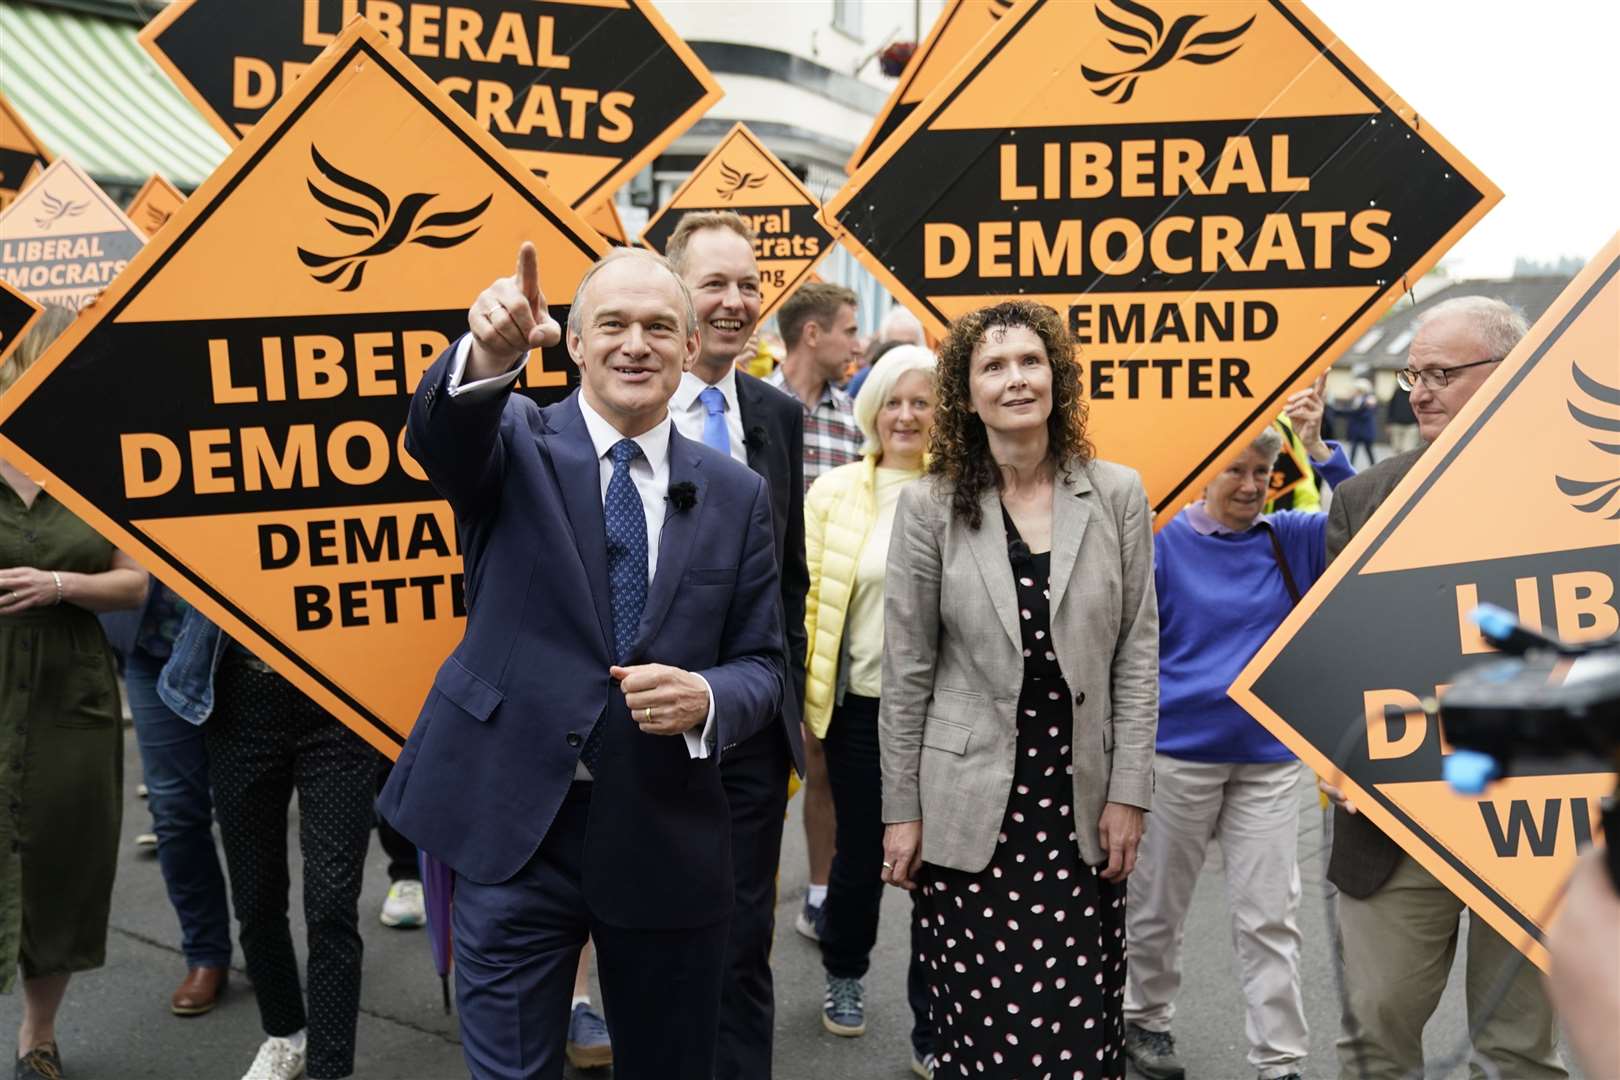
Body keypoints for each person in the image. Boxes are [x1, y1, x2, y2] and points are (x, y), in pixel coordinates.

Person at [377, 243, 786, 1079]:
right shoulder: (515, 439)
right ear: (574, 343)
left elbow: (764, 666)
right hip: (512, 826)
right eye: (613, 324)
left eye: (658, 328)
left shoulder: (738, 494)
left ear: (688, 346)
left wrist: (707, 696)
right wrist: (489, 351)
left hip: (664, 829)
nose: (635, 344)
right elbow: (440, 435)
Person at [879, 300, 1157, 1078]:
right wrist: (901, 814)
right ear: (966, 396)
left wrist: (1131, 791)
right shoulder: (928, 508)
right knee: (980, 1025)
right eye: (992, 367)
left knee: (1074, 1025)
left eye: (1030, 361)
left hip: (1081, 803)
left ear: (1057, 379)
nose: (1015, 379)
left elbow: (1137, 654)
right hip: (968, 807)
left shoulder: (1117, 494)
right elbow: (906, 674)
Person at [1318, 296, 1566, 1080]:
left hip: (1537, 813)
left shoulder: (1584, 498)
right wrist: (1337, 751)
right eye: (1412, 373)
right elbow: (1332, 656)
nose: (1416, 392)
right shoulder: (1364, 500)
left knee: (1518, 1050)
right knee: (1377, 1032)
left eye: (1441, 374)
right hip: (1395, 818)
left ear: (1513, 373)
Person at [1122, 386, 1353, 1080]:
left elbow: (1370, 523)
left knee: (1270, 918)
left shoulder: (1294, 537)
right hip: (1176, 758)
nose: (1252, 485)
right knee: (1158, 907)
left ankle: (1279, 1060)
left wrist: (1321, 452)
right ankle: (1145, 1022)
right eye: (1236, 471)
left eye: (1263, 473)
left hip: (1268, 761)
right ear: (1203, 473)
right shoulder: (1161, 542)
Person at [664, 209, 809, 1080]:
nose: (735, 300)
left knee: (744, 944)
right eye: (714, 282)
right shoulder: (628, 400)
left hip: (751, 732)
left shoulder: (778, 417)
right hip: (645, 728)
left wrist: (782, 694)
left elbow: (787, 575)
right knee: (660, 941)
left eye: (748, 283)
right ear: (677, 291)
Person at [0, 307, 150, 1080]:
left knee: (59, 865)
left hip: (71, 693)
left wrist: (61, 583)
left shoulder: (96, 466)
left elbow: (134, 584)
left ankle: (38, 1037)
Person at [151, 601, 378, 1080]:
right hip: (241, 697)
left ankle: (329, 1069)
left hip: (340, 698)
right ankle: (285, 1034)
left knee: (333, 902)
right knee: (256, 896)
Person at [802, 346, 938, 1076]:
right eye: (895, 402)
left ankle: (937, 1015)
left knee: (943, 870)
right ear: (873, 411)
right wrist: (807, 703)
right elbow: (814, 603)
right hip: (862, 711)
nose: (908, 416)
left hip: (949, 716)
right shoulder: (834, 493)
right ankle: (844, 972)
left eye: (922, 402)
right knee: (859, 857)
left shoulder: (961, 491)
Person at [765, 282, 864, 940]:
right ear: (812, 335)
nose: (858, 344)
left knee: (820, 757)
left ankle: (821, 895)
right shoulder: (746, 405)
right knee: (750, 770)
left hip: (826, 617)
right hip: (754, 617)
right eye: (849, 331)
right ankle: (745, 899)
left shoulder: (851, 423)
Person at [122, 579, 234, 1016]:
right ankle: (206, 956)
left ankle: (268, 953)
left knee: (250, 810)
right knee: (173, 812)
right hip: (155, 648)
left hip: (246, 653)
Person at [847, 305, 926, 398]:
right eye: (895, 346)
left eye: (909, 345)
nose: (904, 352)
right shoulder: (865, 381)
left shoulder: (931, 380)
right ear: (883, 346)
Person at [1336, 377, 1379, 466]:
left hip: (1365, 429)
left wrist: (1354, 413)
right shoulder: (1356, 399)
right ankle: (1350, 466)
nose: (1354, 390)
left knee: (1368, 450)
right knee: (1353, 450)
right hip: (1356, 429)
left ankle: (1373, 466)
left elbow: (1365, 413)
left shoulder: (1369, 399)